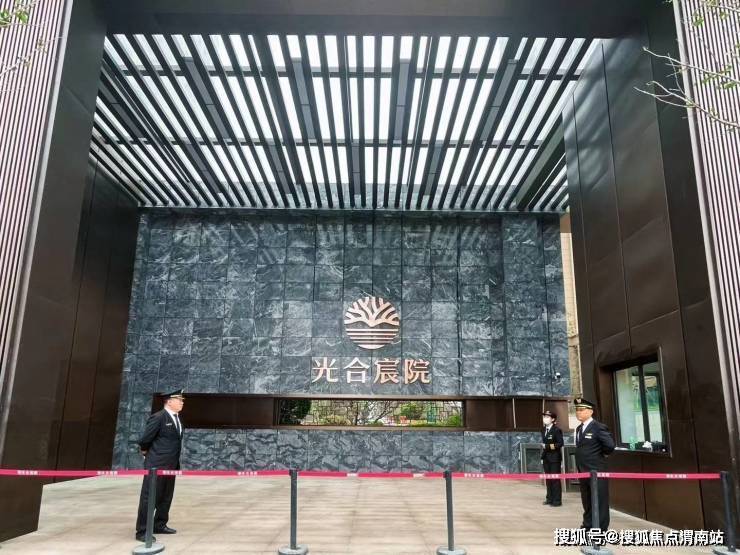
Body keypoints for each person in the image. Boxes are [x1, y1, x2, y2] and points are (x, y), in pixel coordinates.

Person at [135, 389, 185, 542]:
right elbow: (145, 439)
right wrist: (146, 452)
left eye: (182, 400)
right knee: (150, 497)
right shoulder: (158, 417)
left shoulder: (177, 418)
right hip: (157, 465)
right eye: (179, 400)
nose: (182, 402)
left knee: (165, 496)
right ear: (169, 401)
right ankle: (142, 531)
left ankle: (159, 524)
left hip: (171, 464)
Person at [574, 397, 615, 531]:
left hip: (596, 471)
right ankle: (588, 525)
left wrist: (598, 456)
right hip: (583, 471)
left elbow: (609, 446)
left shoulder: (598, 427)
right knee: (587, 500)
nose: (578, 412)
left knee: (599, 501)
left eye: (581, 410)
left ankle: (600, 529)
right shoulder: (579, 428)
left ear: (590, 411)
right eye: (577, 410)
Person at [541, 409, 564, 507]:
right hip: (546, 457)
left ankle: (557, 500)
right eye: (544, 417)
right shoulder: (543, 430)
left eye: (547, 417)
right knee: (548, 479)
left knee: (555, 480)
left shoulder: (556, 430)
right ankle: (549, 498)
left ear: (553, 419)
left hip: (554, 458)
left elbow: (560, 443)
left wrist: (547, 446)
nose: (545, 418)